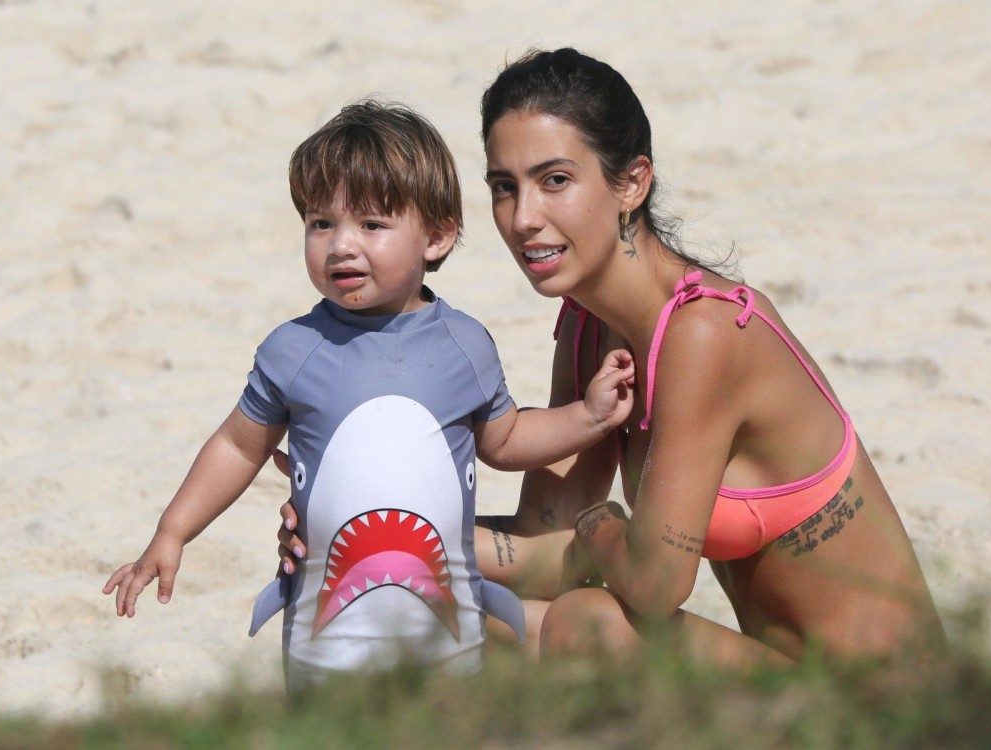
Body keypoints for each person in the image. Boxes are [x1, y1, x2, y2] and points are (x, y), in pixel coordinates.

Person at [278, 50, 945, 667]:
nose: (523, 218)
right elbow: (548, 543)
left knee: (590, 624)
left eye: (556, 180)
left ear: (631, 184)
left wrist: (601, 528)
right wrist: (363, 527)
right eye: (505, 186)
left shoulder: (706, 333)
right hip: (778, 686)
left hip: (885, 717)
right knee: (464, 610)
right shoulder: (589, 326)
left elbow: (654, 584)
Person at [102, 100, 636, 690]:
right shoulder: (294, 348)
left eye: (372, 225)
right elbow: (236, 444)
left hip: (448, 640)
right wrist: (172, 532)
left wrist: (587, 416)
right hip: (325, 640)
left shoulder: (464, 345)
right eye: (320, 222)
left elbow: (505, 439)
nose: (340, 246)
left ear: (437, 236)